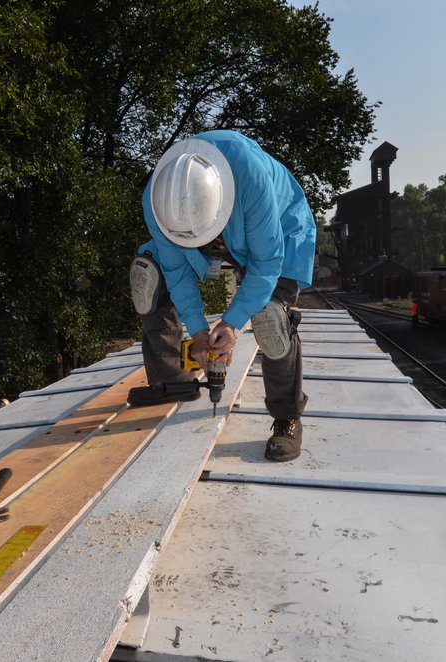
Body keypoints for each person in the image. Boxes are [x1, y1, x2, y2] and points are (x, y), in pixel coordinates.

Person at [127, 130, 316, 462]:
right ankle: (172, 382)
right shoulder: (158, 198)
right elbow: (177, 273)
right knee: (148, 275)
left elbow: (267, 264)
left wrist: (231, 325)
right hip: (209, 224)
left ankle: (287, 418)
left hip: (280, 231)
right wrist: (199, 331)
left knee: (270, 318)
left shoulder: (250, 178)